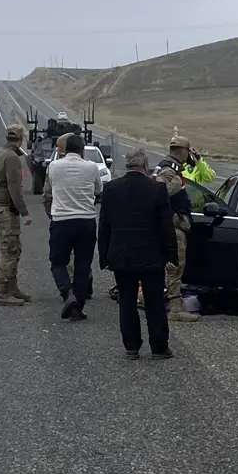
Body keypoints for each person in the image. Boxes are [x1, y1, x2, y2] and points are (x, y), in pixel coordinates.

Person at [98, 148, 177, 359]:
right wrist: (171, 255)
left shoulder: (111, 188)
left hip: (121, 254)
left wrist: (103, 255)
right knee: (154, 302)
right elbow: (166, 226)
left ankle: (131, 346)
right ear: (144, 165)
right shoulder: (157, 189)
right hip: (151, 255)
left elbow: (104, 224)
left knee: (127, 301)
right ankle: (159, 346)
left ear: (127, 165)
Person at [43, 133, 101, 321]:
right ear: (82, 149)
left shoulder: (53, 166)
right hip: (86, 220)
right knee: (83, 265)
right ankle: (78, 307)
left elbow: (50, 189)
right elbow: (98, 190)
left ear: (65, 150)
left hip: (62, 220)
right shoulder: (92, 167)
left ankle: (67, 294)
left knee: (58, 262)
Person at [151, 135, 202, 322]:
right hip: (174, 229)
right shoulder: (169, 169)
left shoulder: (171, 166)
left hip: (170, 226)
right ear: (182, 151)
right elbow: (160, 191)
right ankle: (175, 308)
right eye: (187, 152)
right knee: (175, 267)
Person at [0, 123, 32, 306]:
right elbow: (14, 188)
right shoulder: (12, 157)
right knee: (9, 250)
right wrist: (24, 212)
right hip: (5, 208)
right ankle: (2, 293)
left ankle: (12, 288)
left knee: (14, 248)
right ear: (20, 140)